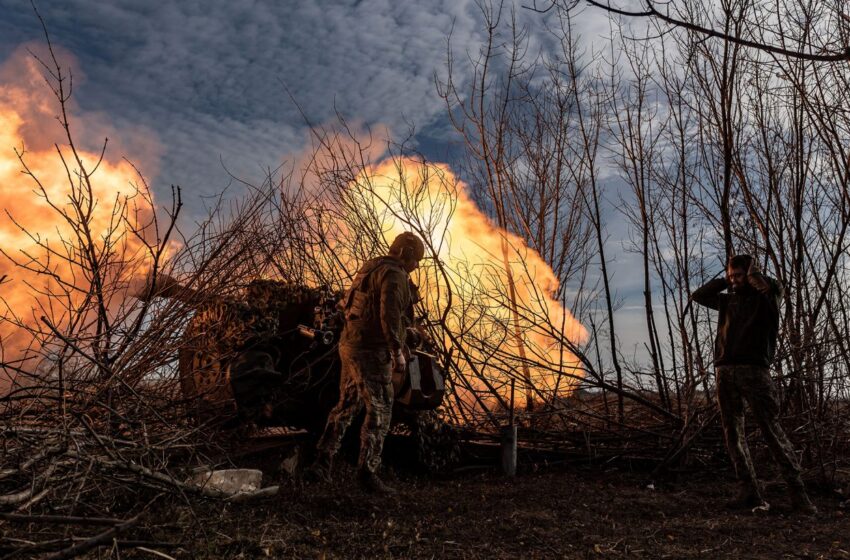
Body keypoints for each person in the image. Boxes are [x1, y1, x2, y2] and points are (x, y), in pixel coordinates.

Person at [691, 254, 816, 513]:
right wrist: (726, 281)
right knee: (733, 432)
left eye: (738, 275)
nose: (734, 280)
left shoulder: (768, 297)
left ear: (751, 273)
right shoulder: (727, 300)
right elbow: (698, 295)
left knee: (771, 430)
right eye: (730, 276)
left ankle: (798, 494)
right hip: (725, 371)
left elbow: (769, 286)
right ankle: (749, 492)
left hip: (755, 372)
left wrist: (751, 275)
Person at [307, 232, 425, 494]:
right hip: (371, 351)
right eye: (415, 259)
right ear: (406, 254)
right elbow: (389, 315)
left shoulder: (371, 267)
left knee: (346, 405)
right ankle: (367, 473)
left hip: (350, 345)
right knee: (381, 409)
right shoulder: (393, 275)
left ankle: (322, 461)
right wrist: (397, 352)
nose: (416, 265)